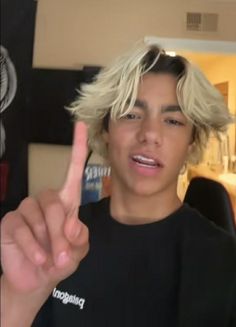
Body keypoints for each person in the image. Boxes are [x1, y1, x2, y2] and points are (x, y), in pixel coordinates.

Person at [1, 41, 236, 327]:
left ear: (191, 143)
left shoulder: (224, 263)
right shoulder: (54, 240)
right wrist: (18, 297)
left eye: (172, 120)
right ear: (106, 130)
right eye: (130, 114)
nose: (150, 133)